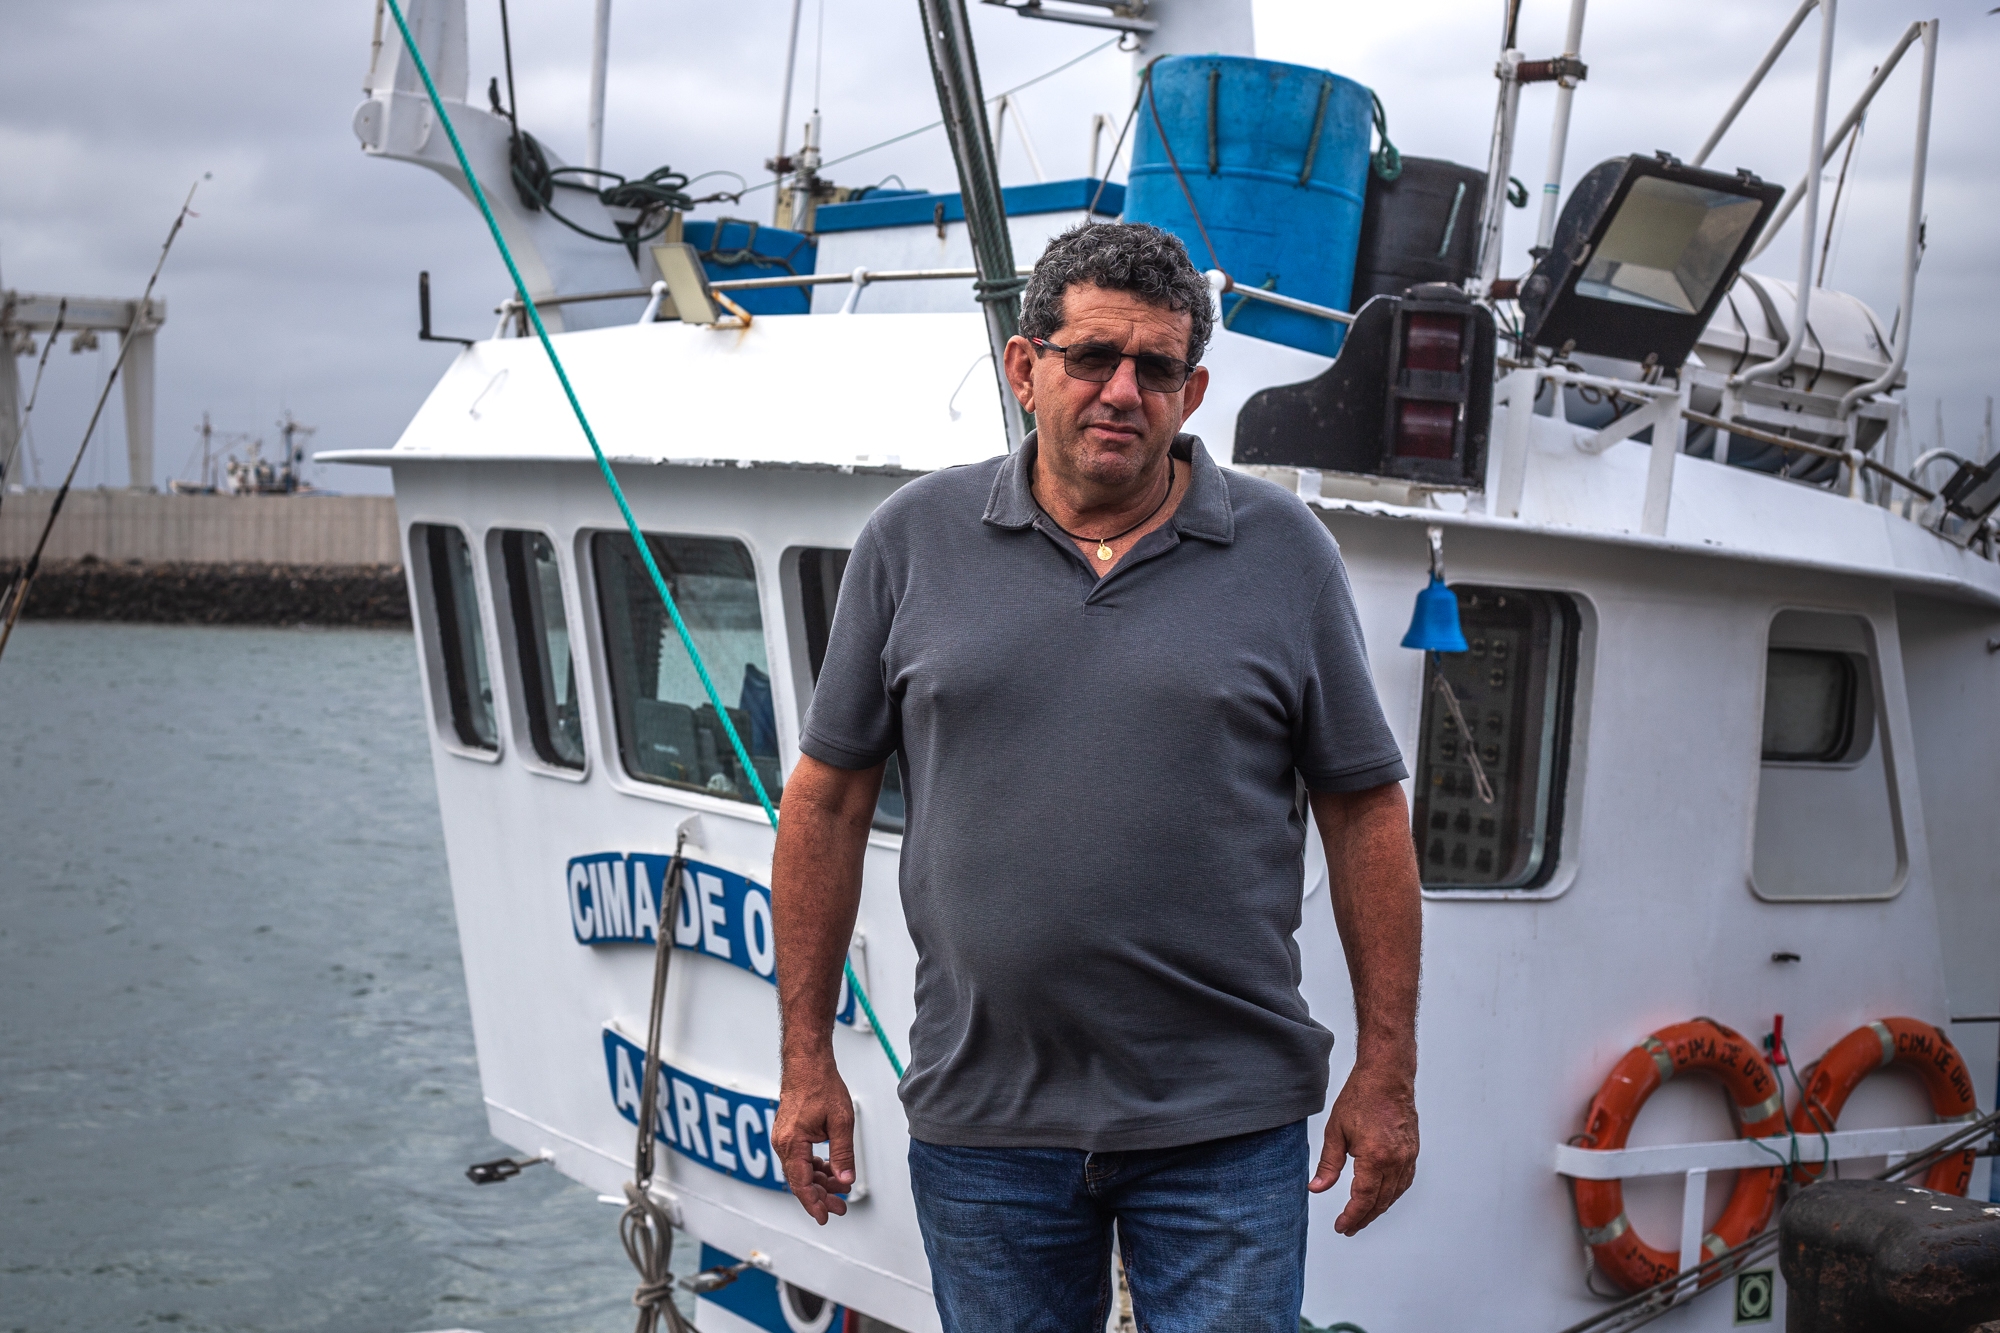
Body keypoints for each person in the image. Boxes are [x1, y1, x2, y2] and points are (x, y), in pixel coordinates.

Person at [770, 221, 1421, 1332]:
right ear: (1026, 368)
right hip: (985, 1122)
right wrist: (803, 1063)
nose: (1122, 391)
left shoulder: (1284, 551)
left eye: (1155, 367)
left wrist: (1386, 1074)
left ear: (1192, 389)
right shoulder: (910, 539)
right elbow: (825, 803)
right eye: (1091, 358)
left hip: (1224, 1123)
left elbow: (1363, 812)